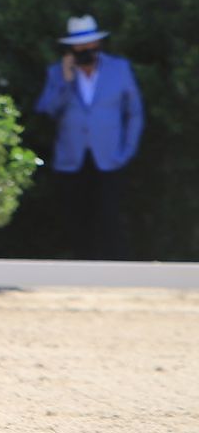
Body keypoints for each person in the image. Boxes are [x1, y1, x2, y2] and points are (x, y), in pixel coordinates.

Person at [34, 15, 144, 260]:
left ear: (98, 45)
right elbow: (47, 110)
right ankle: (80, 269)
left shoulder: (119, 68)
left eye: (90, 46)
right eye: (79, 47)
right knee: (75, 217)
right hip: (72, 159)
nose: (86, 51)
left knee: (109, 216)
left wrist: (126, 151)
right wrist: (65, 80)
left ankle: (115, 269)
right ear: (71, 49)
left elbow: (134, 113)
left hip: (110, 157)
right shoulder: (58, 73)